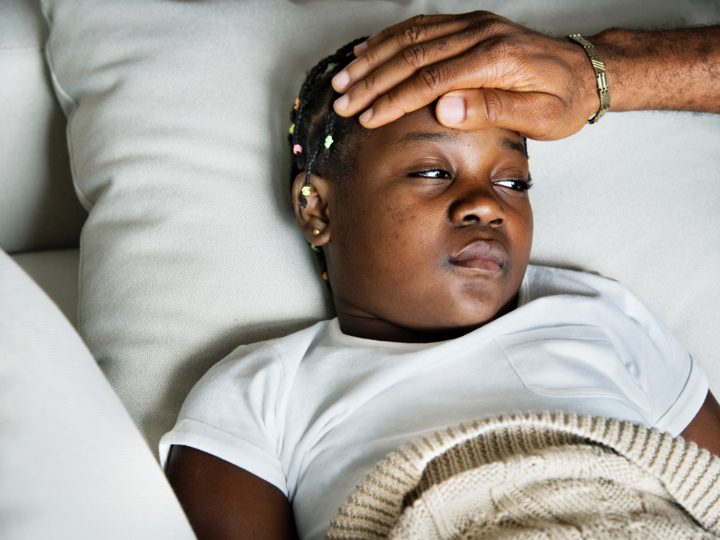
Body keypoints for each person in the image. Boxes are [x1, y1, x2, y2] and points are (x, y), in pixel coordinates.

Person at [161, 13, 720, 540]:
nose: (485, 205)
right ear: (318, 210)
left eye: (514, 183)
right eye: (432, 171)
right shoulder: (264, 392)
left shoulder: (598, 311)